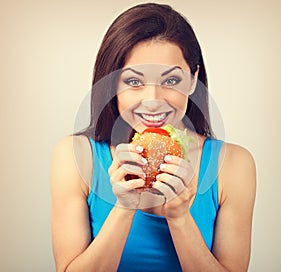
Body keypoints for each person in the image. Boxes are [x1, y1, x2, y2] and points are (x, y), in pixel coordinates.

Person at [51, 3, 256, 272]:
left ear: (193, 80)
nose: (153, 101)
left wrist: (180, 217)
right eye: (134, 82)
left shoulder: (233, 165)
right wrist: (124, 208)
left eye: (171, 81)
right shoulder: (75, 156)